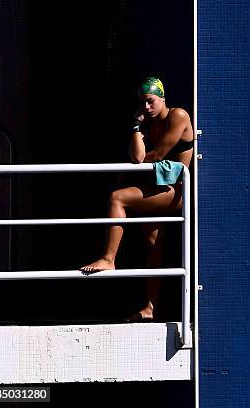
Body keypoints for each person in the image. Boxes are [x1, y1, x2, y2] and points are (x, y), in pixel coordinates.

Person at [80, 77, 193, 322]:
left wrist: (139, 161)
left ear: (162, 98)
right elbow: (137, 156)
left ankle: (109, 258)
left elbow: (156, 155)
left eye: (151, 102)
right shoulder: (148, 125)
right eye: (142, 103)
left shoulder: (178, 116)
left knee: (117, 198)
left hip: (176, 192)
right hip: (157, 189)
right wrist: (135, 127)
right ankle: (151, 309)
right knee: (153, 249)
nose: (146, 108)